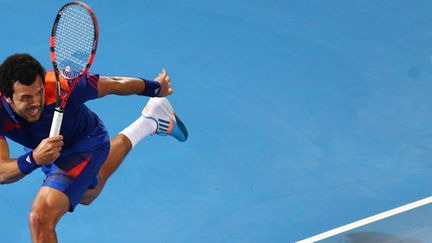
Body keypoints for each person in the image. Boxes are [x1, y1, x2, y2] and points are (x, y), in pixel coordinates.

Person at [0, 53, 188, 243]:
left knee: (40, 218)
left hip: (85, 142)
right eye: (25, 97)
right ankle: (150, 121)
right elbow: (1, 172)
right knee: (88, 194)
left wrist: (156, 88)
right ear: (7, 97)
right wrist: (34, 159)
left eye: (39, 93)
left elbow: (114, 84)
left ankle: (151, 117)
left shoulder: (64, 86)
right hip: (45, 147)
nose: (35, 103)